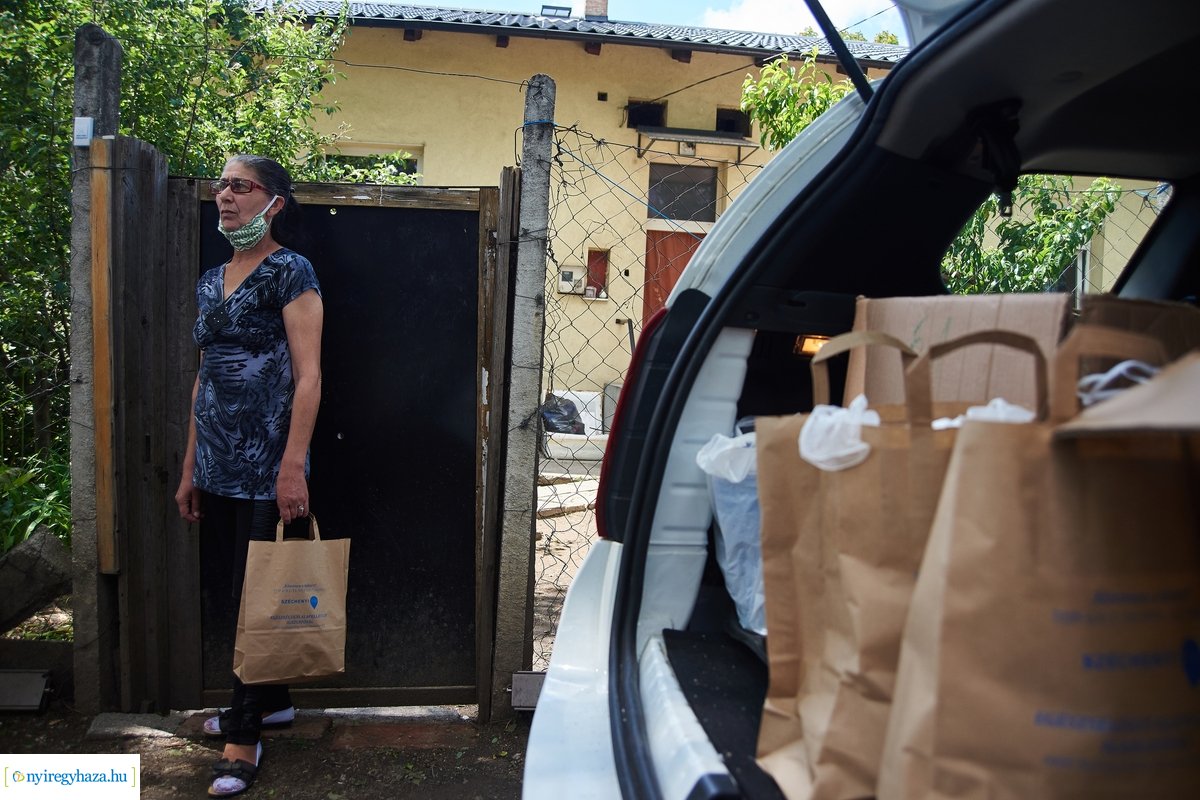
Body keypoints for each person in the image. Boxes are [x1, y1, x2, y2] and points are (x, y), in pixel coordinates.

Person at [174, 154, 323, 798]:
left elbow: (309, 376)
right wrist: (188, 472)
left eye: (241, 186)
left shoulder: (291, 272)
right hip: (215, 464)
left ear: (273, 202)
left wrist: (293, 466)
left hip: (268, 466)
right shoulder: (211, 281)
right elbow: (203, 378)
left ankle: (243, 738)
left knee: (254, 595)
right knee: (238, 588)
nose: (225, 196)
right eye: (221, 186)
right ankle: (273, 705)